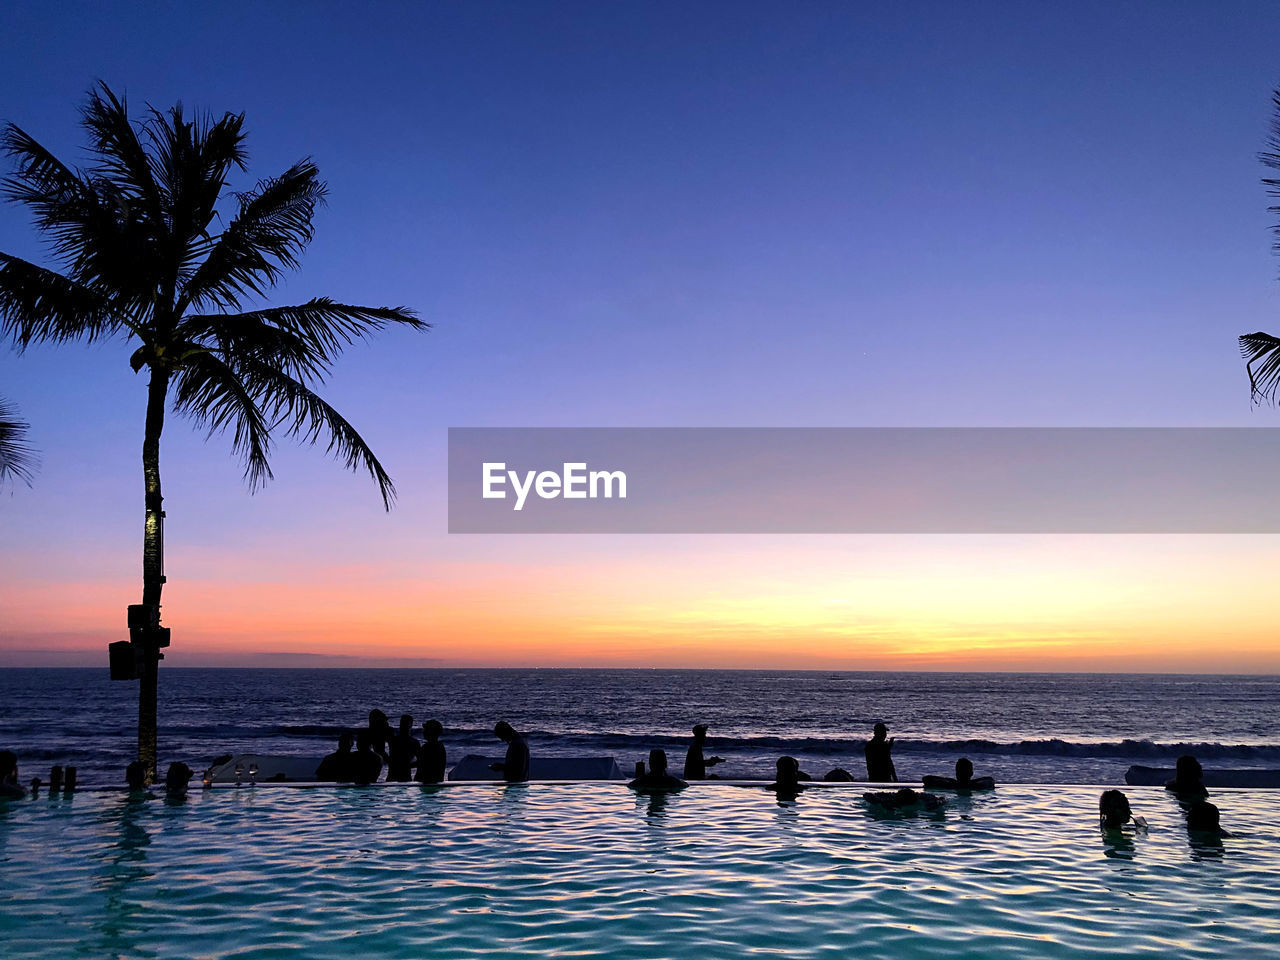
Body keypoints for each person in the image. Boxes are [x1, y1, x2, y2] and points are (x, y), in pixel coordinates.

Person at [922, 757, 995, 791]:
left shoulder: (950, 784)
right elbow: (926, 779)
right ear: (972, 773)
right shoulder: (977, 786)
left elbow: (926, 779)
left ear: (956, 773)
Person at [387, 714, 419, 782]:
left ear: (411, 725)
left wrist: (406, 766)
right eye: (402, 723)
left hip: (403, 775)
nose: (403, 725)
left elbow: (421, 761)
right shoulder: (393, 739)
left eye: (405, 723)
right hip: (396, 774)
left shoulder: (413, 742)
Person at [864, 787, 945, 812]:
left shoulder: (922, 797)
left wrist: (937, 803)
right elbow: (867, 795)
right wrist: (880, 802)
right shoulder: (891, 797)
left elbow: (942, 800)